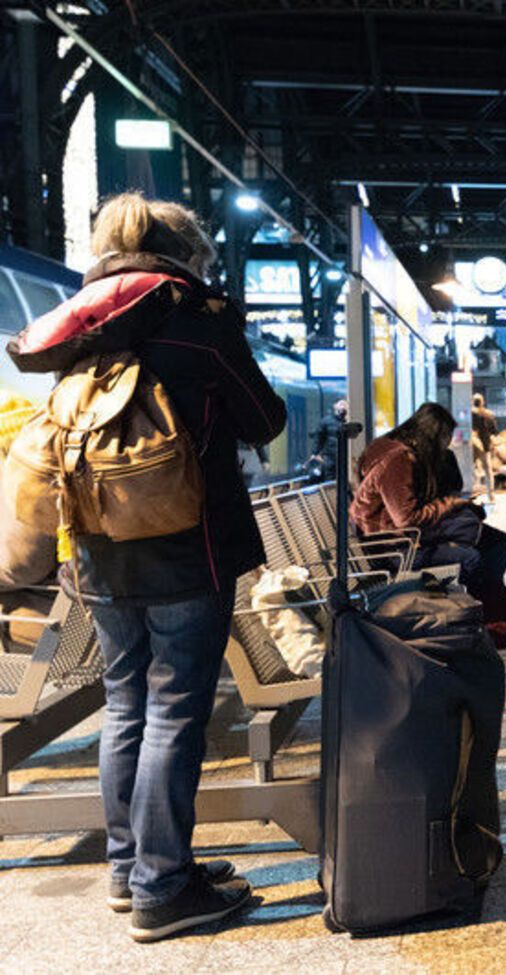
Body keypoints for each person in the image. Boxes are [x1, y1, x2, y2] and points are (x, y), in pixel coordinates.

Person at [6, 192, 285, 940]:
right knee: (174, 709)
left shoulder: (80, 323)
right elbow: (266, 420)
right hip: (186, 549)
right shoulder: (198, 322)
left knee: (126, 704)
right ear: (185, 255)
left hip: (96, 552)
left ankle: (132, 872)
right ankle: (165, 885)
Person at [350, 401, 506, 596]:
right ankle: (480, 612)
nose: (445, 447)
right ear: (431, 436)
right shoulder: (397, 460)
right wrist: (451, 504)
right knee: (474, 556)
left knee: (499, 542)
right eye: (444, 440)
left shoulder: (392, 449)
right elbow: (406, 519)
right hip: (395, 549)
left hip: (404, 538)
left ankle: (488, 610)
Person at [471, 392, 497, 490]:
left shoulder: (470, 414)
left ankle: (473, 487)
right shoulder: (489, 415)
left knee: (470, 467)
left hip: (472, 444)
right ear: (483, 402)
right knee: (488, 469)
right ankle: (491, 493)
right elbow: (494, 431)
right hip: (485, 445)